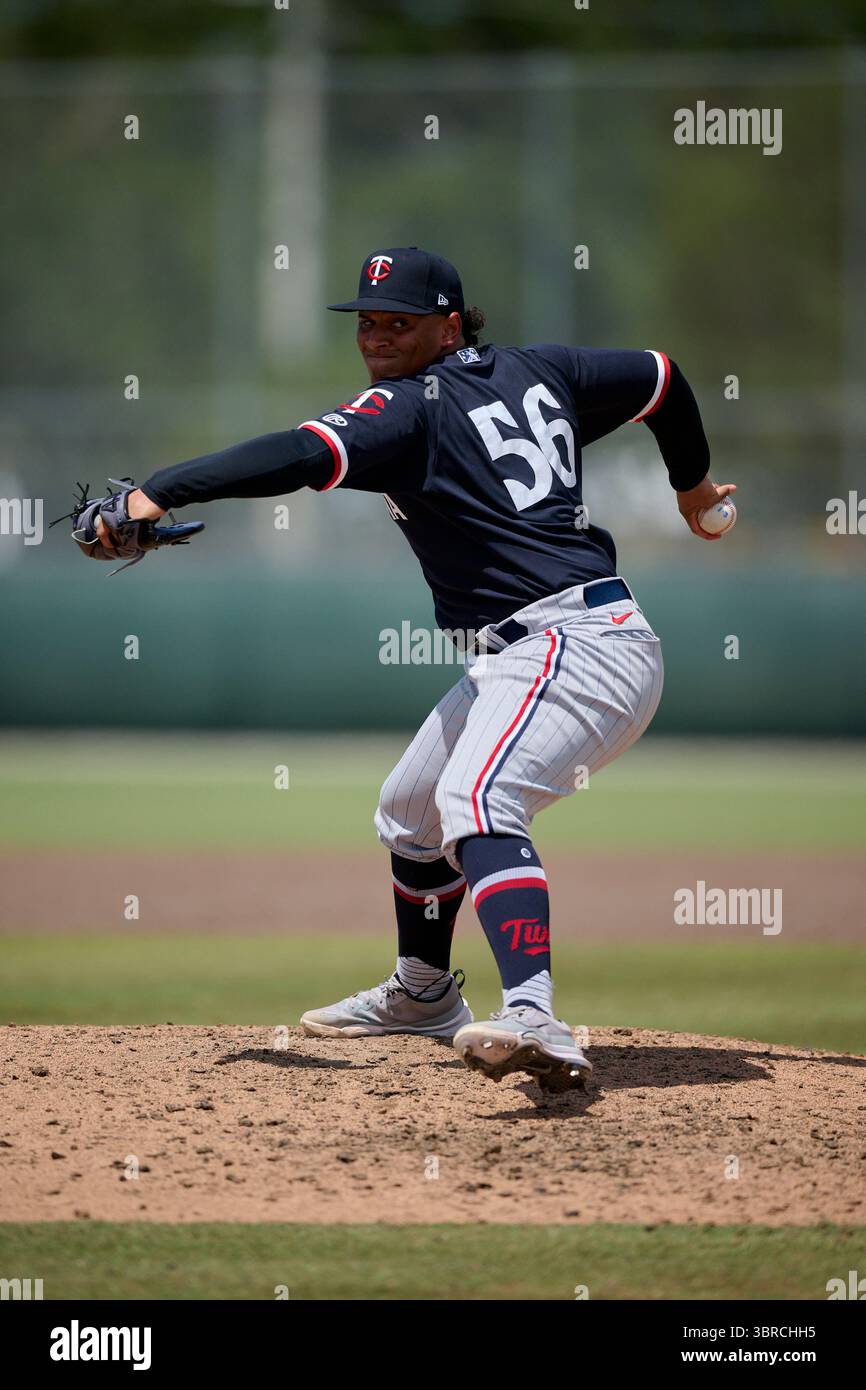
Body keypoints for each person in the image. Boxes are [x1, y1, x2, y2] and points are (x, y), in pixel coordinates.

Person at [89, 246, 735, 1092]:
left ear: (450, 324)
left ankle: (536, 1015)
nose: (379, 336)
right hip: (538, 649)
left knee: (479, 799)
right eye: (367, 321)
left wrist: (160, 490)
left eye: (399, 321)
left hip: (576, 643)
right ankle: (425, 993)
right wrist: (692, 486)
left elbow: (294, 453)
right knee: (410, 812)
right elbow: (660, 377)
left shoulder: (406, 410)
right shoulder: (546, 368)